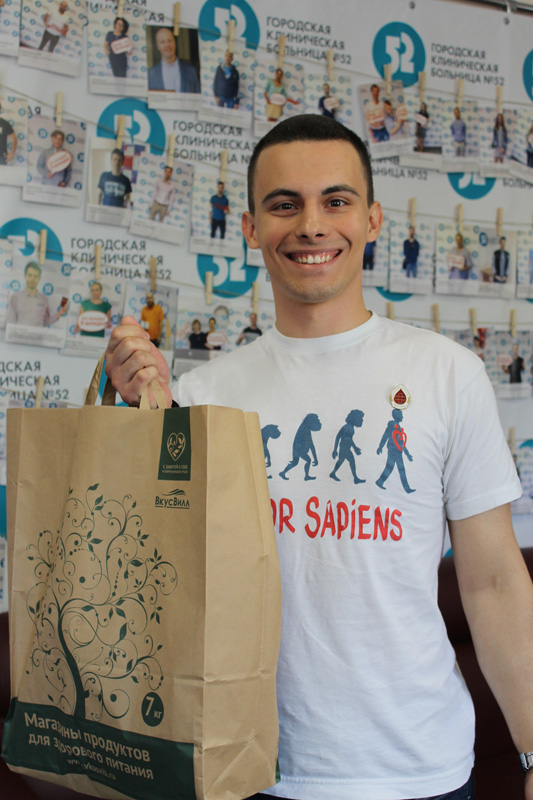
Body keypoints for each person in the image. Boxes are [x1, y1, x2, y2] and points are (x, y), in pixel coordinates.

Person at [104, 114, 533, 800]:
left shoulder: (448, 374)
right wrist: (137, 410)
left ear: (372, 219)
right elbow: (158, 577)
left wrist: (532, 749)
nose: (311, 225)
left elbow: (493, 583)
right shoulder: (202, 394)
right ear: (250, 228)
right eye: (284, 205)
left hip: (419, 769)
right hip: (250, 770)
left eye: (335, 201)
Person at [6, 261, 67, 326]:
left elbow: (45, 322)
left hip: (39, 333)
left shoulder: (44, 299)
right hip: (20, 333)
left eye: (35, 276)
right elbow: (10, 322)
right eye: (30, 275)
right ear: (25, 276)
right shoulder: (15, 297)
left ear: (39, 278)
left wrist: (59, 314)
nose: (32, 279)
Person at [147, 27, 200, 93]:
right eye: (162, 42)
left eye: (170, 41)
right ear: (158, 46)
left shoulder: (190, 71)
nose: (167, 45)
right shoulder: (150, 74)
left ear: (175, 43)